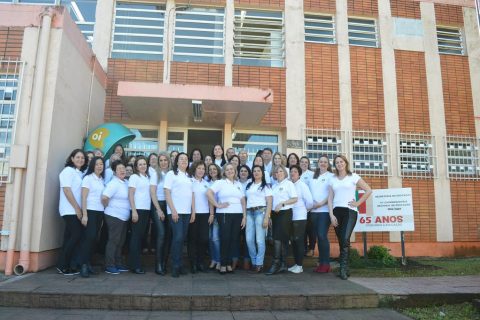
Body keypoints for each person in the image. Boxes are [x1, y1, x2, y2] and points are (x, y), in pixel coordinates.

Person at [328, 155, 372, 280]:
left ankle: (342, 268)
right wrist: (331, 215)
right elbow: (330, 198)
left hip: (350, 211)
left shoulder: (353, 176)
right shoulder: (333, 179)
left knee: (344, 237)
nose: (339, 164)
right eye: (337, 162)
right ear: (335, 165)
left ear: (345, 163)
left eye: (341, 162)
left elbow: (368, 190)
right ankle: (346, 268)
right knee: (343, 241)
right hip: (336, 212)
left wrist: (358, 203)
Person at [207, 163, 246, 274]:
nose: (230, 171)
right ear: (224, 172)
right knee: (225, 238)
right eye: (227, 169)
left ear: (235, 171)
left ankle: (228, 263)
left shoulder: (238, 184)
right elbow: (208, 193)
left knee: (233, 240)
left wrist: (244, 216)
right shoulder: (220, 182)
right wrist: (217, 205)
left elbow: (243, 201)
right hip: (224, 214)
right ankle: (223, 264)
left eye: (232, 169)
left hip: (238, 214)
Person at [56, 149, 88, 275]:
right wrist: (77, 208)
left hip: (75, 210)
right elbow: (67, 191)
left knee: (70, 237)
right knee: (76, 235)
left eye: (83, 158)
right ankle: (62, 265)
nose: (80, 160)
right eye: (78, 157)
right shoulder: (67, 171)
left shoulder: (79, 173)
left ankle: (66, 265)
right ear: (72, 158)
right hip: (69, 210)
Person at [164, 152, 194, 277]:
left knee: (182, 239)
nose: (184, 161)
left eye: (186, 159)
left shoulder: (189, 176)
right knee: (178, 237)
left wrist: (193, 211)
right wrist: (173, 210)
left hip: (187, 212)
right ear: (176, 162)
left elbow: (192, 195)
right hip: (176, 212)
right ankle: (175, 266)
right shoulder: (171, 174)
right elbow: (167, 192)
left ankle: (180, 264)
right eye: (181, 159)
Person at [266, 165, 297, 275]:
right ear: (274, 174)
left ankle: (276, 263)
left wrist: (282, 203)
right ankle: (283, 264)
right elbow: (270, 202)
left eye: (280, 171)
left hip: (285, 213)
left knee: (277, 238)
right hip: (274, 214)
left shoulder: (289, 184)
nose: (278, 173)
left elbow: (295, 198)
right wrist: (269, 216)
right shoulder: (274, 186)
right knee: (281, 239)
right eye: (276, 172)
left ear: (284, 173)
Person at [128, 156, 156, 274]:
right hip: (137, 210)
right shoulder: (134, 177)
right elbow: (130, 195)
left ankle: (137, 264)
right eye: (140, 164)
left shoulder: (147, 177)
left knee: (140, 237)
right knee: (136, 237)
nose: (143, 166)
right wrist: (134, 211)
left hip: (146, 210)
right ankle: (135, 266)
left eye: (144, 164)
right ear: (136, 166)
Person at [102, 161, 130, 275]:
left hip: (124, 217)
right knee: (113, 241)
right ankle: (109, 265)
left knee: (120, 241)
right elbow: (104, 197)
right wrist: (110, 208)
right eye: (119, 169)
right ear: (114, 171)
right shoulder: (114, 183)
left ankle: (118, 263)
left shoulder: (126, 182)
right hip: (114, 216)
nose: (122, 170)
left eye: (123, 168)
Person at [79, 156, 105, 277]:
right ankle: (83, 265)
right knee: (89, 238)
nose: (100, 166)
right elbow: (83, 197)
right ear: (92, 166)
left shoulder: (101, 180)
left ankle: (88, 263)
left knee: (94, 238)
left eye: (101, 164)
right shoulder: (88, 179)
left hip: (100, 211)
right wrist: (84, 214)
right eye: (97, 164)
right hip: (90, 211)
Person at [245, 165, 272, 273]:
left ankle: (259, 263)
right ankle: (254, 261)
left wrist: (267, 217)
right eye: (254, 171)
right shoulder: (249, 185)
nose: (256, 172)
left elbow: (269, 202)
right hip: (249, 213)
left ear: (262, 173)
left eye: (258, 171)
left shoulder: (266, 186)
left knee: (259, 240)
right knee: (249, 240)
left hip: (261, 212)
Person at [309, 155, 334, 273]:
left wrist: (320, 204)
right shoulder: (313, 176)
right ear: (318, 163)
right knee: (318, 237)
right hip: (313, 211)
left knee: (322, 235)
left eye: (325, 162)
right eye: (321, 162)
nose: (323, 163)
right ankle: (321, 263)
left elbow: (331, 194)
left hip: (324, 211)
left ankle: (326, 263)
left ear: (328, 164)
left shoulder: (331, 176)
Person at [288, 165, 313, 274]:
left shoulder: (302, 185)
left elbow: (310, 202)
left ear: (299, 174)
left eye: (295, 171)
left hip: (300, 217)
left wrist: (304, 211)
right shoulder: (289, 185)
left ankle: (300, 265)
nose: (292, 173)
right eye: (291, 171)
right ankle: (296, 263)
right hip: (290, 217)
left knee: (299, 241)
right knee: (293, 241)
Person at [149, 152, 171, 275]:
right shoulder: (155, 175)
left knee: (168, 235)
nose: (163, 162)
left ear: (169, 161)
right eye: (161, 160)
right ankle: (158, 265)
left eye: (165, 160)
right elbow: (152, 193)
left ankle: (164, 263)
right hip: (158, 205)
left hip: (169, 206)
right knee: (161, 234)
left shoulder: (171, 174)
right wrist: (158, 209)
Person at [188, 161, 211, 273]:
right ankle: (193, 264)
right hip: (193, 214)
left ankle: (200, 262)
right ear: (194, 169)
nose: (201, 170)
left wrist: (211, 214)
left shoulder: (207, 183)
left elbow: (210, 200)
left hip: (205, 214)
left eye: (203, 168)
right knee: (192, 240)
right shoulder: (189, 181)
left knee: (204, 239)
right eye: (199, 168)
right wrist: (193, 212)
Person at [207, 163, 222, 271]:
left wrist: (213, 213)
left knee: (215, 238)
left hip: (218, 212)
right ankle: (213, 259)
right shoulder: (206, 183)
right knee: (209, 238)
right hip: (206, 213)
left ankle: (219, 260)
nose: (212, 171)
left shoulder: (221, 182)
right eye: (210, 169)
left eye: (214, 169)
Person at [299, 156, 315, 257]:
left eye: (306, 162)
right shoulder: (296, 173)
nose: (304, 164)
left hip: (309, 207)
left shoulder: (312, 174)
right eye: (302, 162)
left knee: (311, 229)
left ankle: (312, 249)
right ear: (299, 163)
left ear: (308, 164)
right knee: (302, 230)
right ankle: (303, 248)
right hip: (299, 207)